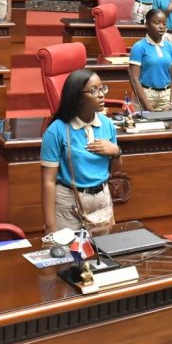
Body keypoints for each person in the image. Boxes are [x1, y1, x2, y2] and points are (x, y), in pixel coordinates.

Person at [40, 69, 121, 233]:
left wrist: (116, 151)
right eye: (93, 90)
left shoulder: (107, 125)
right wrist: (50, 225)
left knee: (102, 253)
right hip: (68, 200)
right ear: (78, 98)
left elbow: (116, 171)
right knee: (69, 255)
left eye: (102, 88)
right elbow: (48, 181)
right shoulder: (56, 130)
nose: (101, 95)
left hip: (101, 198)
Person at [129, 9, 172, 111]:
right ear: (147, 24)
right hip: (146, 95)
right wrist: (148, 107)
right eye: (157, 23)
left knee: (168, 126)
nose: (161, 27)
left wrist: (171, 104)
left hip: (165, 96)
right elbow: (134, 79)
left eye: (164, 24)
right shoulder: (139, 47)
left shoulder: (170, 47)